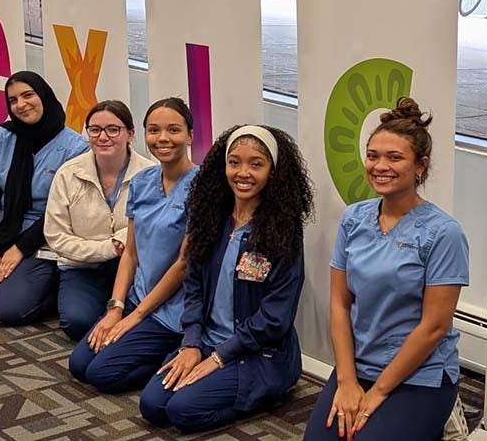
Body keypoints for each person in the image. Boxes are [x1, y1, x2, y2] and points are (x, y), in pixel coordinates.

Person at [305, 98, 468, 441]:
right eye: (373, 155)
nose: (380, 166)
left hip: (419, 374)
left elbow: (435, 327)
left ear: (420, 166)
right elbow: (339, 303)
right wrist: (347, 381)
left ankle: (444, 415)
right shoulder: (354, 219)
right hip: (359, 365)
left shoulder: (443, 233)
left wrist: (378, 392)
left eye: (395, 158)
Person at [140, 124, 314, 432]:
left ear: (272, 172)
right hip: (206, 341)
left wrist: (219, 358)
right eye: (234, 162)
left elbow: (275, 318)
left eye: (256, 164)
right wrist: (192, 344)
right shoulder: (210, 219)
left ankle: (268, 391)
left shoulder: (282, 232)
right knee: (152, 406)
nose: (243, 172)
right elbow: (192, 288)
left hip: (256, 352)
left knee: (182, 411)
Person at [68, 98, 198, 394]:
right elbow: (131, 252)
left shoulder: (202, 188)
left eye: (173, 130)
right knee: (79, 365)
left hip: (170, 310)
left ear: (190, 135)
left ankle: (169, 355)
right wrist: (116, 309)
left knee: (103, 375)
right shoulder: (142, 181)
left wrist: (136, 317)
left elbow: (184, 263)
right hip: (136, 299)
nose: (163, 138)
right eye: (154, 130)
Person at [0, 71, 88, 326]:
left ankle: (53, 289)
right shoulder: (2, 137)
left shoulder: (76, 147)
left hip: (43, 232)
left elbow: (63, 213)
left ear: (44, 95)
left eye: (28, 95)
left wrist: (19, 249)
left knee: (11, 310)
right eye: (13, 100)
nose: (21, 105)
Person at [46, 100, 155, 341]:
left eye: (113, 129)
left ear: (130, 134)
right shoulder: (68, 173)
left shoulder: (151, 174)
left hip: (134, 266)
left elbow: (153, 225)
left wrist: (122, 241)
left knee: (147, 316)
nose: (103, 137)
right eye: (95, 130)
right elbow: (55, 236)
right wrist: (106, 248)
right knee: (77, 322)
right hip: (82, 266)